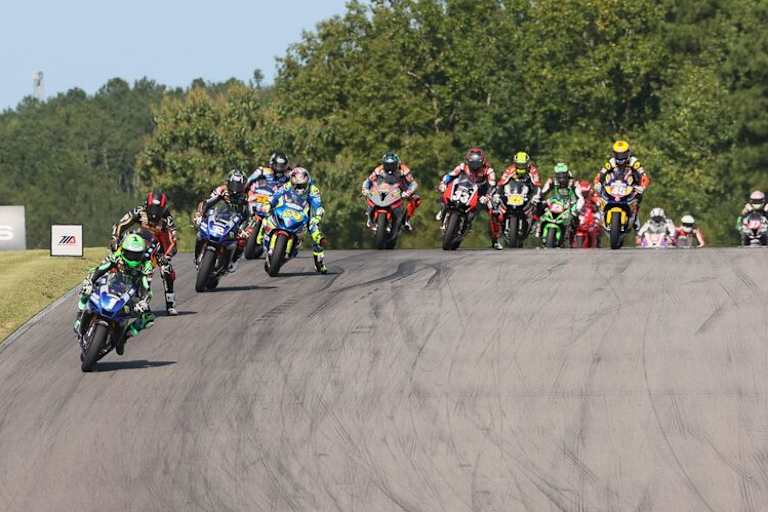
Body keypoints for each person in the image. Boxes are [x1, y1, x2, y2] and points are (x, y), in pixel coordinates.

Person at [73, 234, 155, 355]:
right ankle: (79, 315)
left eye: (137, 254)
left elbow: (147, 287)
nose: (133, 258)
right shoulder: (117, 255)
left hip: (131, 292)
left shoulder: (146, 266)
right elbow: (100, 269)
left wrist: (144, 301)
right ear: (124, 250)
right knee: (86, 288)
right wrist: (90, 281)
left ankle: (125, 337)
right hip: (110, 282)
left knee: (148, 319)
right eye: (130, 254)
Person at [111, 191, 178, 315]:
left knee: (166, 269)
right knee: (115, 258)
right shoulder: (139, 211)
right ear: (147, 205)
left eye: (158, 209)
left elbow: (173, 242)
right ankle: (106, 287)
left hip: (158, 247)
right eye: (153, 208)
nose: (155, 213)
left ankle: (170, 303)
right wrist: (115, 240)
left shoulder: (167, 219)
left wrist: (166, 256)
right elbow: (120, 225)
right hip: (138, 243)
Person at [261, 167, 328, 273]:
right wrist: (268, 204)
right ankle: (261, 237)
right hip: (286, 210)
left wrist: (318, 215)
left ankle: (319, 262)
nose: (299, 188)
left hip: (304, 213)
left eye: (302, 185)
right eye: (296, 185)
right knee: (265, 215)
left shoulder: (313, 190)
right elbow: (275, 195)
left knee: (316, 233)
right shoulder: (287, 186)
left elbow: (317, 205)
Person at [437, 147, 499, 249]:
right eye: (472, 163)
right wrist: (443, 183)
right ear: (467, 160)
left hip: (481, 193)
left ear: (482, 161)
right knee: (444, 192)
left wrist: (488, 196)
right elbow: (450, 175)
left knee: (494, 210)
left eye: (477, 163)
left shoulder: (489, 171)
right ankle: (442, 209)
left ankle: (495, 239)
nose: (474, 167)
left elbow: (492, 185)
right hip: (463, 188)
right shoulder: (462, 166)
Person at [194, 170, 250, 272]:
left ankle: (234, 260)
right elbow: (206, 203)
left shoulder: (245, 197)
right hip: (217, 216)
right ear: (228, 182)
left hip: (234, 221)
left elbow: (247, 216)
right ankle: (197, 256)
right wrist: (199, 214)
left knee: (242, 240)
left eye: (239, 186)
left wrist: (244, 230)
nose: (236, 188)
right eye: (234, 184)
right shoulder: (221, 190)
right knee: (199, 235)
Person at [593, 140, 650, 230]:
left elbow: (644, 177)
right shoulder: (611, 162)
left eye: (623, 154)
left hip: (630, 185)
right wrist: (597, 183)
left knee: (639, 196)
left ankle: (635, 217)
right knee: (599, 193)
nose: (620, 158)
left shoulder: (634, 162)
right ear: (613, 154)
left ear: (628, 153)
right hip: (613, 185)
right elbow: (600, 175)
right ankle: (601, 213)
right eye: (617, 154)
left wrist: (642, 187)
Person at [489, 152, 542, 247]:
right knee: (494, 206)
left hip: (527, 194)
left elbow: (537, 184)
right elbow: (501, 182)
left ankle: (535, 223)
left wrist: (536, 195)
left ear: (527, 163)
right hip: (511, 194)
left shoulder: (532, 170)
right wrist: (497, 194)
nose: (521, 167)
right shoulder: (510, 169)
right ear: (515, 163)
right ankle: (497, 229)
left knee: (540, 203)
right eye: (519, 164)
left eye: (523, 164)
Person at [361, 152, 420, 231]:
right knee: (369, 195)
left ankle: (406, 220)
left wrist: (409, 191)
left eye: (392, 165)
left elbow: (413, 183)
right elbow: (368, 181)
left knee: (416, 199)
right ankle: (369, 216)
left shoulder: (404, 170)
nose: (390, 167)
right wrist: (365, 189)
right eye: (387, 164)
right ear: (383, 164)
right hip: (382, 189)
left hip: (400, 189)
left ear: (397, 163)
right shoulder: (379, 170)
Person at [537, 163, 585, 240]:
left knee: (575, 217)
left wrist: (577, 209)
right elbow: (543, 192)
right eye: (559, 175)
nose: (561, 178)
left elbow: (580, 198)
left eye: (563, 175)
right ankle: (537, 227)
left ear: (567, 174)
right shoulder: (551, 181)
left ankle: (572, 235)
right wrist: (539, 199)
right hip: (556, 202)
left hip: (570, 203)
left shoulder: (574, 183)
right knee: (539, 207)